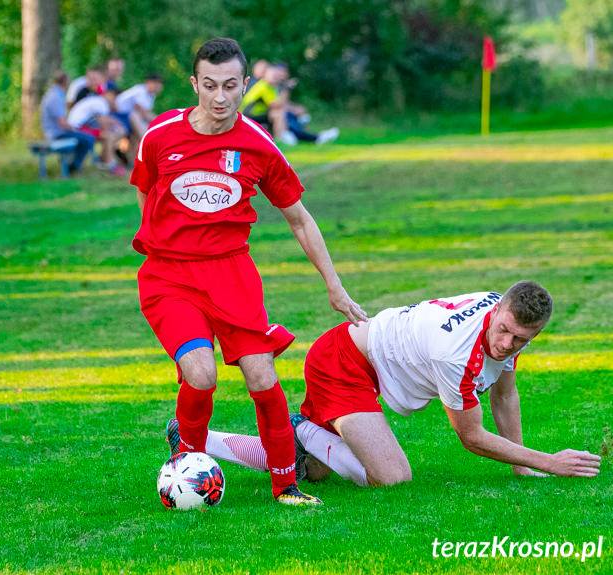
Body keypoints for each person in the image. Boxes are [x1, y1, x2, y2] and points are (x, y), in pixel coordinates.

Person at [131, 37, 366, 506]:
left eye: (231, 86)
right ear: (195, 83)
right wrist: (163, 242)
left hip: (232, 275)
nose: (220, 97)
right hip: (170, 276)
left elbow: (299, 218)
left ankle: (286, 487)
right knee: (200, 373)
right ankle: (187, 470)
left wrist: (334, 286)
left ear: (245, 86)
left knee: (262, 376)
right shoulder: (159, 136)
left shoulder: (259, 146)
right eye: (210, 85)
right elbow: (146, 192)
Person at [180, 282, 602, 486]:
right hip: (342, 363)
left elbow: (505, 394)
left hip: (367, 367)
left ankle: (203, 440)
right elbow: (470, 437)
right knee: (391, 477)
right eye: (505, 332)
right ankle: (302, 428)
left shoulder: (504, 319)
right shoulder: (455, 352)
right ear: (498, 311)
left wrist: (521, 464)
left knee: (316, 470)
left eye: (520, 340)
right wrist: (550, 461)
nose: (507, 344)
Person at [241, 63, 337, 146]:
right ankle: (283, 137)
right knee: (279, 114)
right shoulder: (263, 86)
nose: (276, 78)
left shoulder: (270, 86)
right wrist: (287, 89)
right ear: (265, 75)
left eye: (276, 75)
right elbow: (277, 105)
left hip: (260, 115)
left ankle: (312, 136)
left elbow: (280, 103)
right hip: (250, 117)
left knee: (289, 115)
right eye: (273, 75)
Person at [40, 71, 95, 174]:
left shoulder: (54, 94)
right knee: (88, 139)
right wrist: (74, 129)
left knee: (84, 137)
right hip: (57, 134)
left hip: (55, 132)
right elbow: (62, 123)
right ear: (65, 82)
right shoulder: (55, 97)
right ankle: (73, 167)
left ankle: (70, 164)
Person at [68, 89, 126, 175]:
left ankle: (104, 159)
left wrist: (116, 126)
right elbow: (104, 125)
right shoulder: (102, 103)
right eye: (114, 98)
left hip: (78, 127)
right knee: (108, 136)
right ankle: (109, 164)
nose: (114, 101)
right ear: (109, 94)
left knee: (112, 134)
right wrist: (116, 129)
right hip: (77, 129)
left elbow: (103, 121)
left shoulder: (97, 101)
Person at [115, 74, 163, 148]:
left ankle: (134, 156)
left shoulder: (151, 95)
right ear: (148, 82)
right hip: (118, 115)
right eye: (156, 83)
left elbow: (147, 114)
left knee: (142, 126)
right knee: (138, 120)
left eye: (159, 84)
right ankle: (148, 141)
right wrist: (163, 122)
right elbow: (144, 113)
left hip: (126, 118)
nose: (158, 86)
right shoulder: (141, 91)